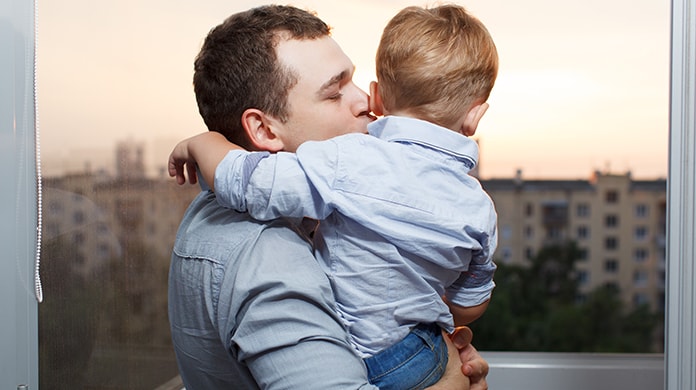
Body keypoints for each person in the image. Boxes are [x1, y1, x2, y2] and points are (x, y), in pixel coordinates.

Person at [170, 4, 498, 389]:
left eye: (355, 82)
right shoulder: (267, 259)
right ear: (264, 129)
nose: (365, 101)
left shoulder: (311, 210)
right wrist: (451, 382)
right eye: (334, 93)